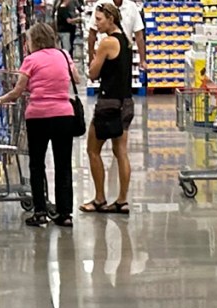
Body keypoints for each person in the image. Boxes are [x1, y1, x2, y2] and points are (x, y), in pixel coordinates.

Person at [0, 24, 80, 227]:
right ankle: (65, 214)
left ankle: (40, 212)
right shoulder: (64, 55)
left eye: (28, 41)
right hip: (64, 116)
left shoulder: (30, 60)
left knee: (37, 165)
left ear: (35, 41)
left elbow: (17, 91)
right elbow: (77, 79)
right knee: (63, 165)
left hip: (38, 117)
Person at [80, 3, 135, 213]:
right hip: (126, 103)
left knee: (92, 150)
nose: (97, 23)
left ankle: (100, 198)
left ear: (111, 18)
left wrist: (94, 58)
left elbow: (92, 74)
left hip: (108, 104)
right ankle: (122, 200)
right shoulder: (125, 40)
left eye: (100, 19)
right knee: (121, 151)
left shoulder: (107, 43)